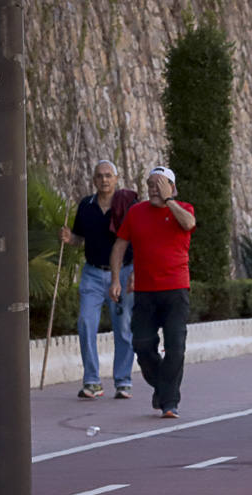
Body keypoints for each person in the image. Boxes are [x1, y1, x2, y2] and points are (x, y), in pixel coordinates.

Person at [109, 166, 196, 419]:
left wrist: (169, 201)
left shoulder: (184, 210)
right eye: (150, 184)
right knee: (142, 345)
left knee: (175, 348)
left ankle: (169, 402)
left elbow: (189, 224)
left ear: (172, 187)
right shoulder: (136, 213)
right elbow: (119, 246)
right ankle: (164, 388)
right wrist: (115, 279)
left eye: (160, 184)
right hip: (145, 292)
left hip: (176, 290)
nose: (154, 189)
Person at [60, 160, 137, 400]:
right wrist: (68, 237)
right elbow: (79, 238)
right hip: (92, 273)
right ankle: (92, 381)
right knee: (85, 323)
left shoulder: (128, 206)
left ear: (116, 179)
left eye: (108, 176)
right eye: (100, 176)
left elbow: (139, 239)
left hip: (123, 273)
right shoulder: (86, 206)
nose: (104, 180)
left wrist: (135, 272)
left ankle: (123, 381)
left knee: (123, 328)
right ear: (94, 180)